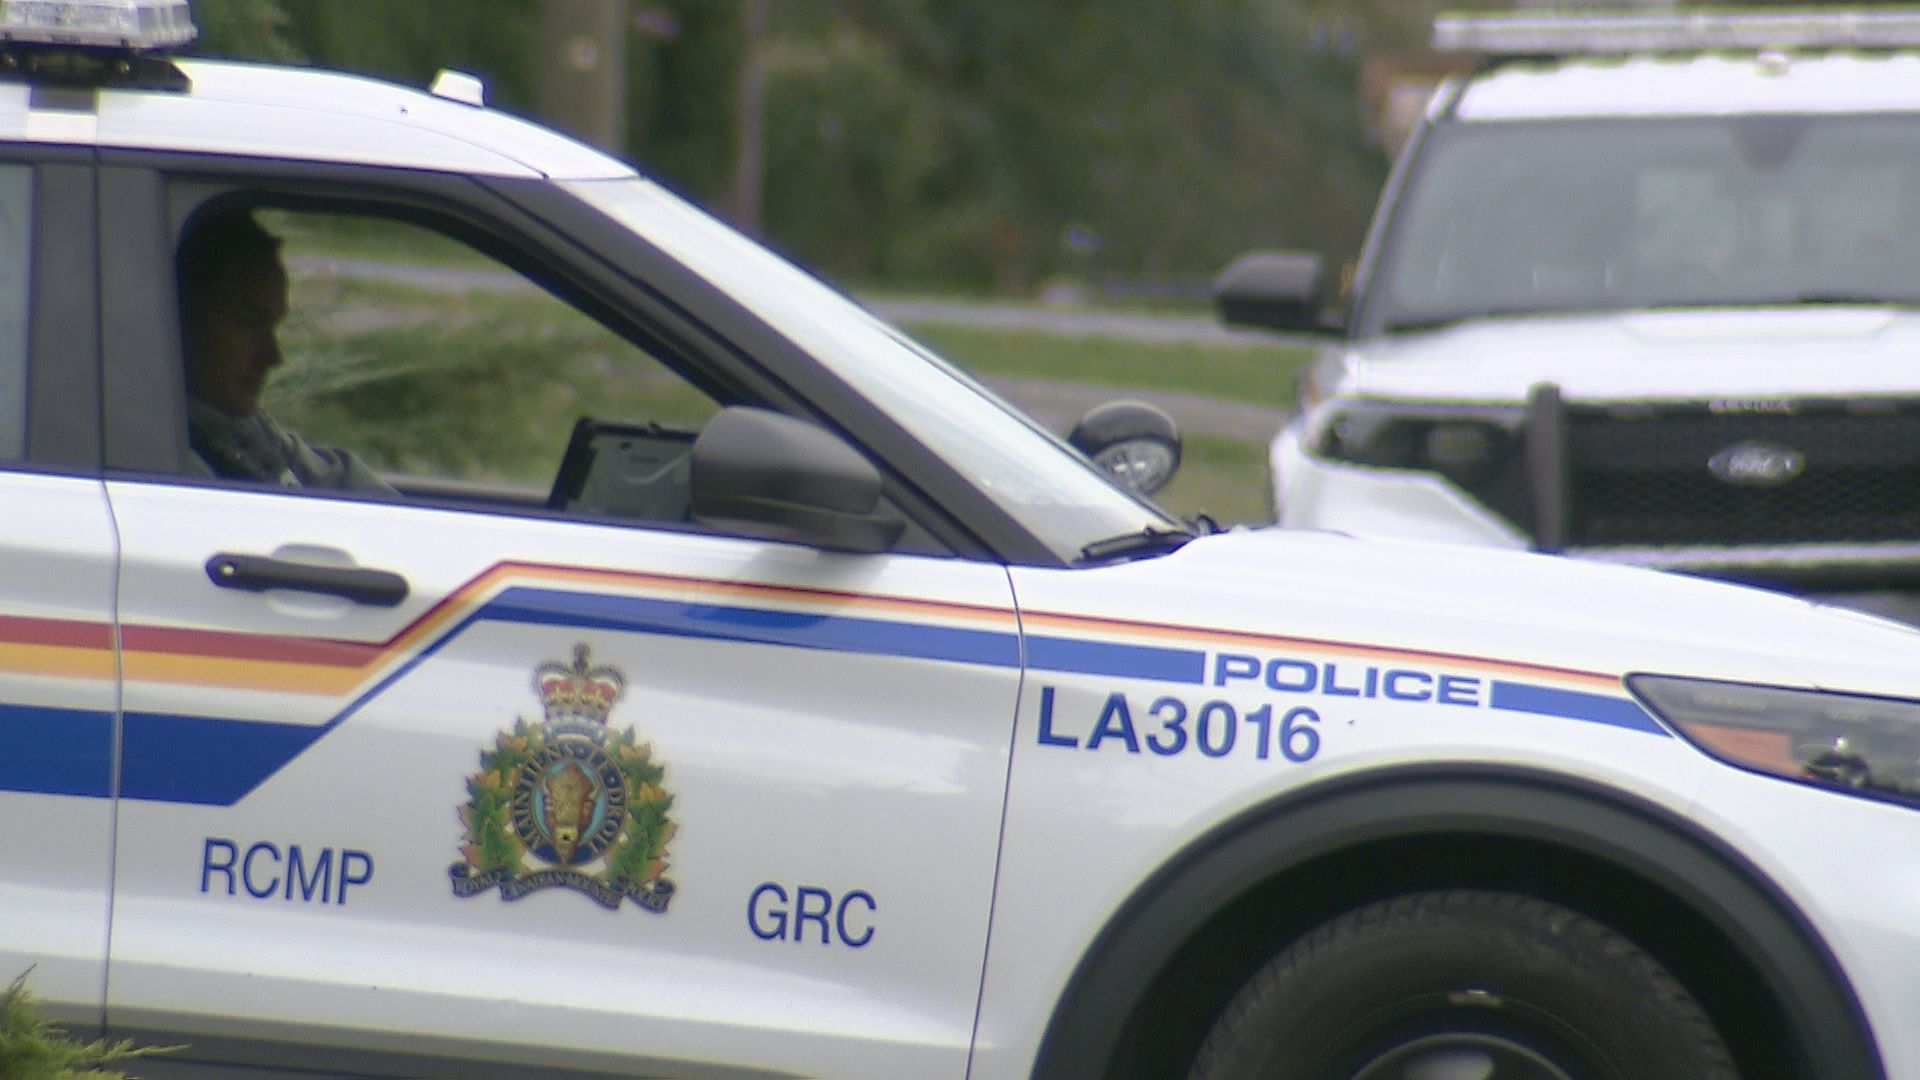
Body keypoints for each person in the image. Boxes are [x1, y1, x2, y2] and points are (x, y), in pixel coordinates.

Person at [177, 208, 393, 493]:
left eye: (274, 325)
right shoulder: (178, 462)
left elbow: (336, 476)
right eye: (250, 323)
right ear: (181, 319)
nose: (273, 356)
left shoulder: (239, 427)